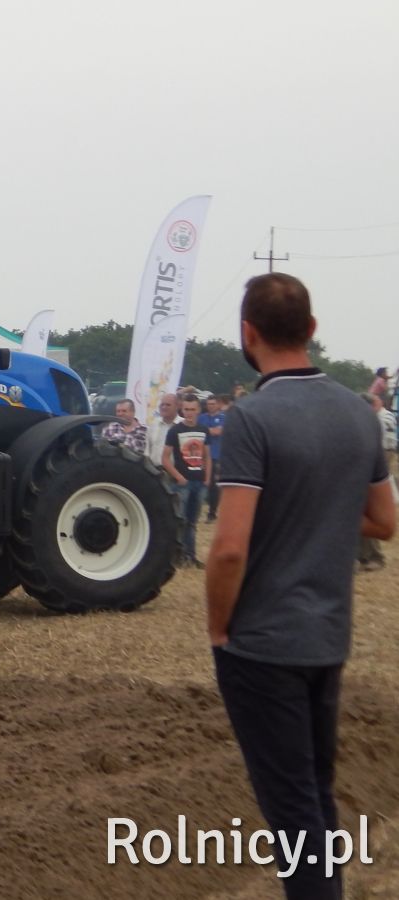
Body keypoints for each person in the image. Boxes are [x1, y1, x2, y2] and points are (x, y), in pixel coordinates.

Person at [206, 273, 395, 899]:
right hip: (327, 637)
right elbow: (385, 522)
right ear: (312, 330)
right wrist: (319, 511)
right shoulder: (358, 414)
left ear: (247, 333)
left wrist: (218, 627)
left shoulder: (251, 419)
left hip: (262, 643)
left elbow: (229, 547)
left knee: (292, 818)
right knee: (315, 797)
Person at [163, 395, 210, 568]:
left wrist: (207, 477)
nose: (189, 413)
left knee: (192, 522)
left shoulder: (204, 430)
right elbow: (165, 458)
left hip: (199, 481)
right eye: (186, 409)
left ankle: (191, 556)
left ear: (198, 410)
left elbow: (207, 456)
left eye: (192, 409)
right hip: (182, 482)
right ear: (182, 410)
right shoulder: (175, 431)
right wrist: (178, 476)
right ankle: (177, 555)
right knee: (180, 521)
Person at [357, 392, 394, 572]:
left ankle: (373, 557)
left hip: (369, 469)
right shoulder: (380, 417)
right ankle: (361, 557)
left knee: (362, 513)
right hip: (371, 466)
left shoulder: (373, 421)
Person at [198, 394, 227, 523]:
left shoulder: (223, 418)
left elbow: (218, 432)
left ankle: (212, 512)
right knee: (199, 482)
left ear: (218, 404)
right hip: (200, 456)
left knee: (213, 486)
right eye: (208, 404)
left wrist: (204, 430)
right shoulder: (202, 417)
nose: (210, 407)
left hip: (216, 455)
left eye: (213, 404)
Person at [144, 392, 179, 470]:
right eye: (162, 404)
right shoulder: (153, 424)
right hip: (153, 471)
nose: (164, 407)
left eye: (168, 405)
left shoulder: (182, 425)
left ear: (177, 406)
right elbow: (147, 451)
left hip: (175, 473)